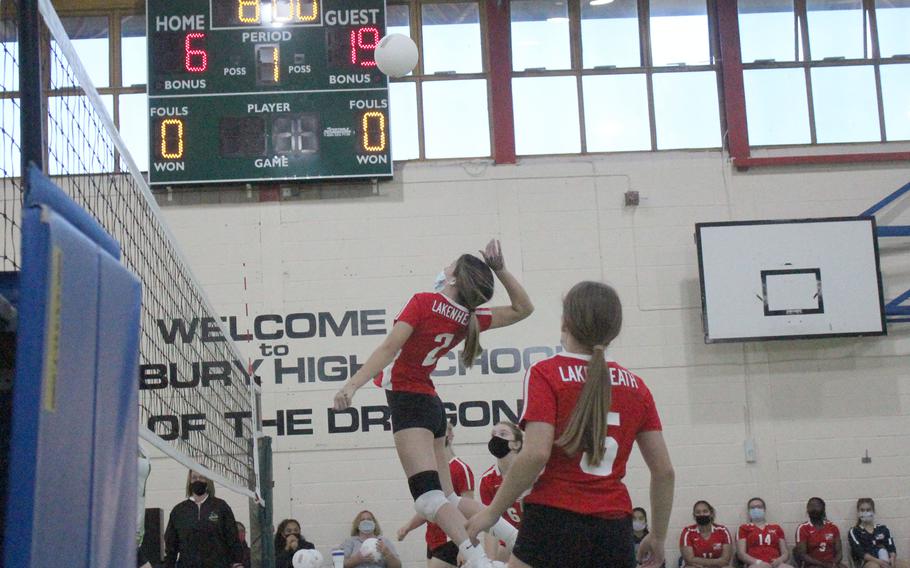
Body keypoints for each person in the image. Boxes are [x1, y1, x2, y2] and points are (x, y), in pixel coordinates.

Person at [334, 240, 534, 568]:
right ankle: (514, 537)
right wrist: (501, 270)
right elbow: (523, 309)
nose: (443, 269)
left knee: (429, 500)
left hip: (409, 403)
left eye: (449, 266)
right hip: (431, 405)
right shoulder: (470, 318)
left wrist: (352, 385)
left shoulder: (424, 303)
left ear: (455, 278)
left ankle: (480, 562)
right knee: (450, 498)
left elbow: (388, 349)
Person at [465, 281, 675, 568]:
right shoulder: (637, 388)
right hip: (613, 525)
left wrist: (492, 511)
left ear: (566, 322)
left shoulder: (546, 373)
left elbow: (536, 453)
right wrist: (659, 536)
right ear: (614, 329)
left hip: (554, 516)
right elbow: (664, 471)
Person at [397, 422, 475, 568]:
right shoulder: (429, 469)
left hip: (451, 538)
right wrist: (408, 527)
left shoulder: (460, 468)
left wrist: (465, 547)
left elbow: (468, 510)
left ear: (449, 435)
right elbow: (430, 506)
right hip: (433, 540)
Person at [163, 471, 244, 568]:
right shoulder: (179, 511)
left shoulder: (220, 507)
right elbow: (171, 546)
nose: (198, 480)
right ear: (189, 481)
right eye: (194, 478)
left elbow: (233, 539)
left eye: (201, 477)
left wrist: (237, 563)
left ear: (208, 480)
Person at [478, 421, 524, 562]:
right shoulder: (487, 480)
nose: (496, 438)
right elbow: (490, 523)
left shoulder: (533, 473)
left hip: (537, 539)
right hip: (509, 543)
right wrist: (490, 561)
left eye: (503, 434)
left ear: (516, 444)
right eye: (493, 435)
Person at [848, 498, 909, 568]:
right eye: (862, 510)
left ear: (873, 511)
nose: (865, 513)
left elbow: (891, 547)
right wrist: (879, 562)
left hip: (886, 559)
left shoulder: (883, 529)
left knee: (905, 565)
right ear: (858, 513)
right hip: (867, 562)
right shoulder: (854, 531)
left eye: (868, 510)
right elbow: (860, 552)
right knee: (875, 566)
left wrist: (892, 558)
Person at [736, 497, 795, 568]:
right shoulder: (744, 528)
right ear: (749, 511)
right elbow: (741, 554)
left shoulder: (776, 528)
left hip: (776, 563)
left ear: (764, 509)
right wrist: (758, 562)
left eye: (759, 507)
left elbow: (785, 552)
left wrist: (779, 560)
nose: (756, 509)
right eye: (752, 507)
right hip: (755, 564)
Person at [679, 500, 733, 568]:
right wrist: (717, 561)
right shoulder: (688, 532)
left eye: (705, 511)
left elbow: (725, 560)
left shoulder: (723, 530)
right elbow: (689, 560)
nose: (701, 514)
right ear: (694, 515)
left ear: (711, 513)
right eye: (698, 512)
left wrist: (700, 561)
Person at [794, 497, 846, 568]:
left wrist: (834, 564)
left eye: (817, 506)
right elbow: (802, 555)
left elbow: (839, 552)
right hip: (812, 565)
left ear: (823, 509)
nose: (813, 509)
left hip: (831, 563)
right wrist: (822, 564)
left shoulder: (833, 527)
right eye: (811, 506)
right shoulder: (802, 528)